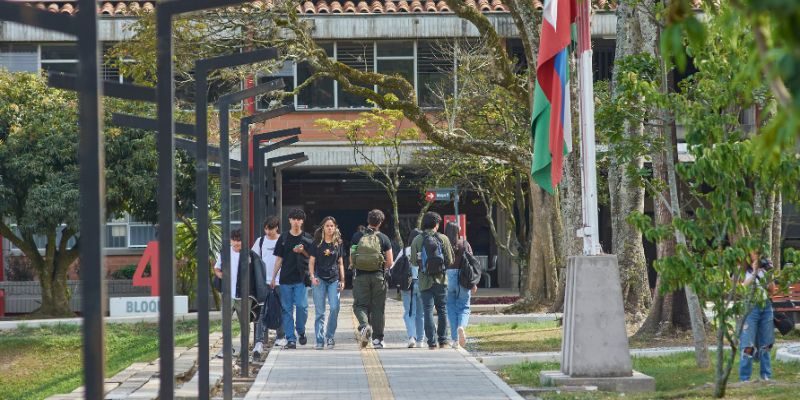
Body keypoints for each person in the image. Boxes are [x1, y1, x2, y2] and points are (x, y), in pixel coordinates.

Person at [410, 212, 454, 349]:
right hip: (441, 280)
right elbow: (450, 260)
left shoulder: (417, 239)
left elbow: (413, 262)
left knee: (427, 311)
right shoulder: (443, 238)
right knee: (442, 310)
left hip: (424, 281)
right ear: (436, 224)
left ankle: (432, 343)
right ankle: (443, 341)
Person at [350, 209, 393, 349]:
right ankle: (378, 340)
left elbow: (351, 258)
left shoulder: (357, 236)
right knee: (378, 308)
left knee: (360, 305)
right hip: (378, 277)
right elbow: (390, 261)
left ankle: (364, 326)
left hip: (360, 277)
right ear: (380, 223)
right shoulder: (384, 238)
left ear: (368, 220)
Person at [271, 208, 313, 349]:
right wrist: (273, 277)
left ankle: (301, 330)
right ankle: (291, 339)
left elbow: (312, 258)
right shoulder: (283, 238)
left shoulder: (307, 237)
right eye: (294, 219)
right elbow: (279, 259)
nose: (296, 222)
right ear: (289, 220)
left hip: (301, 278)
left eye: (299, 219)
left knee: (302, 306)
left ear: (302, 221)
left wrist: (303, 251)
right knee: (287, 310)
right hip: (285, 279)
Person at [309, 216, 346, 350]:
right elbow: (311, 261)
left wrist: (342, 280)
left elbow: (340, 263)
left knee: (335, 308)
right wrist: (312, 276)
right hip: (319, 279)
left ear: (335, 228)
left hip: (334, 279)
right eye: (327, 226)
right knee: (320, 312)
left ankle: (330, 336)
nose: (330, 228)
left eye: (332, 226)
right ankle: (319, 340)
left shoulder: (338, 243)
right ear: (323, 228)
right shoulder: (316, 243)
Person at [252, 216, 286, 359]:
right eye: (266, 229)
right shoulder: (260, 241)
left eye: (270, 229)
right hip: (263, 282)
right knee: (261, 311)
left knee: (280, 309)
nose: (268, 231)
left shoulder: (283, 240)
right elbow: (253, 259)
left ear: (276, 227)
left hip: (280, 281)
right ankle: (258, 342)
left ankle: (281, 336)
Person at [739, 252, 777, 382]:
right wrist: (754, 272)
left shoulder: (765, 269)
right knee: (747, 343)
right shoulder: (742, 270)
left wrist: (768, 274)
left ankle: (766, 376)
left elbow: (772, 291)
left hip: (766, 307)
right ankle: (745, 378)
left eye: (759, 253)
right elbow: (741, 289)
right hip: (750, 307)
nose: (757, 255)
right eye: (754, 252)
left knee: (766, 343)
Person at [444, 221, 477, 349]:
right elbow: (472, 263)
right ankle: (461, 327)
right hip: (464, 277)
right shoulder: (464, 244)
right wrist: (473, 283)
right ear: (458, 231)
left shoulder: (443, 244)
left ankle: (454, 339)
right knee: (464, 306)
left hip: (447, 277)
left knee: (451, 308)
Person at [213, 229, 242, 357]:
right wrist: (223, 276)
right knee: (226, 323)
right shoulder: (225, 253)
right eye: (234, 240)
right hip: (227, 294)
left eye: (239, 240)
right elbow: (216, 269)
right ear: (230, 240)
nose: (236, 243)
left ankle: (244, 350)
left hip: (242, 295)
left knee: (244, 324)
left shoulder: (248, 254)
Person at [395, 228, 424, 348]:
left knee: (409, 312)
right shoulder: (424, 250)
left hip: (407, 285)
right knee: (421, 313)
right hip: (422, 284)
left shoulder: (404, 251)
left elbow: (394, 267)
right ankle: (420, 340)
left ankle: (412, 337)